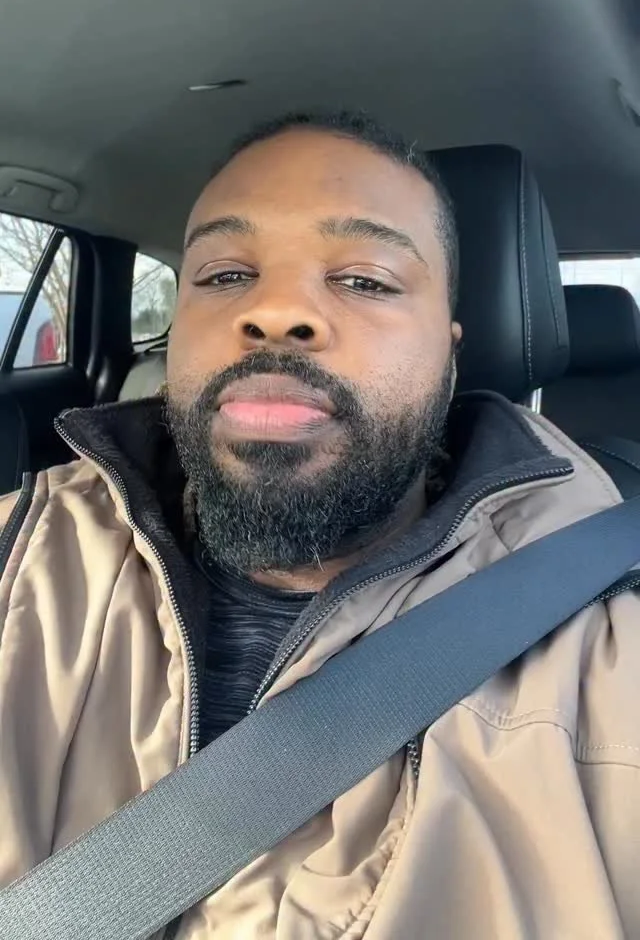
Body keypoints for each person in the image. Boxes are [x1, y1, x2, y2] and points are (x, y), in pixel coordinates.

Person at [0, 111, 637, 939]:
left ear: (451, 353)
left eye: (366, 280)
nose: (275, 311)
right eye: (226, 274)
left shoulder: (608, 642)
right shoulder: (19, 554)